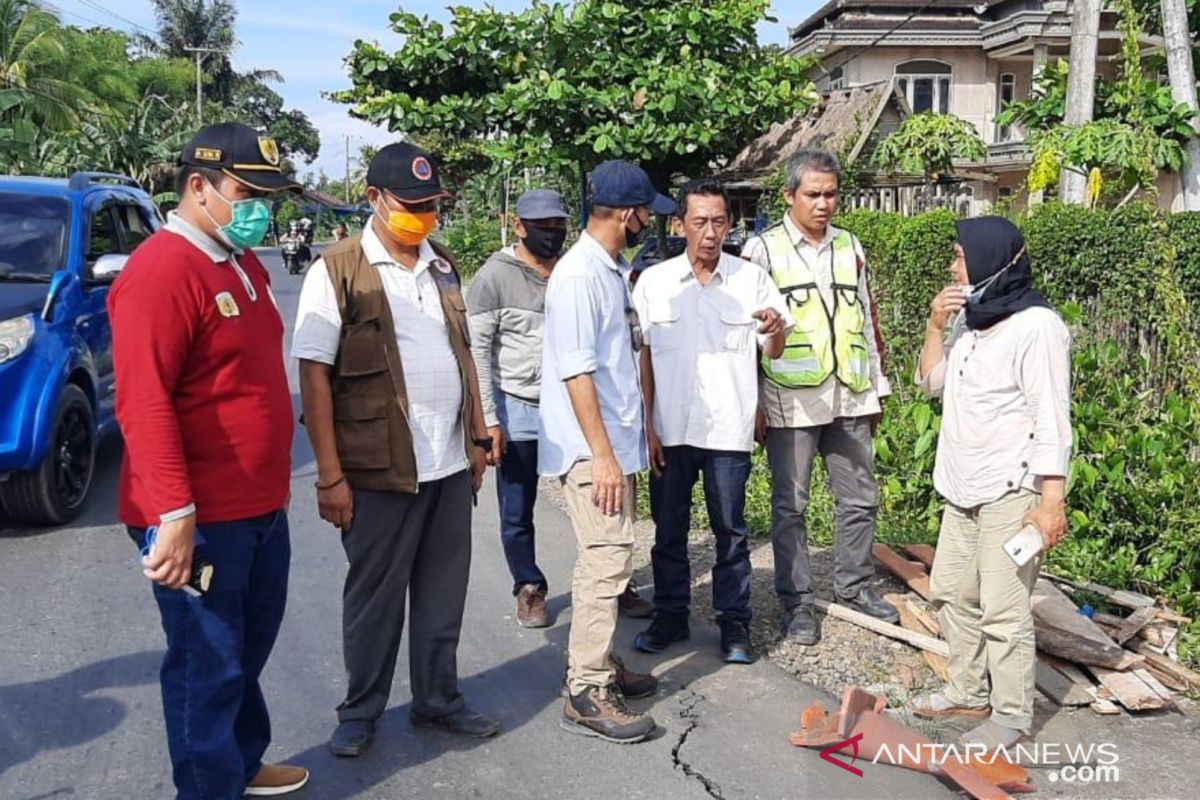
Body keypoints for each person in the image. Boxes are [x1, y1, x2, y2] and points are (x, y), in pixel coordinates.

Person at [108, 122, 308, 798]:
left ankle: (242, 763)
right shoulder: (160, 272)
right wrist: (174, 515)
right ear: (198, 186)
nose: (261, 208)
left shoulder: (239, 260)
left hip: (256, 508)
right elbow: (144, 402)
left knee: (245, 652)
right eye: (246, 192)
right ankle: (209, 787)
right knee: (206, 665)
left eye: (268, 196)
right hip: (201, 516)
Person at [293, 142, 498, 758]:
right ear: (375, 199)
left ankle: (438, 700)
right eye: (412, 205)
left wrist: (480, 438)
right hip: (378, 469)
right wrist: (330, 476)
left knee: (442, 594)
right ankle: (360, 712)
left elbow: (463, 356)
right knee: (375, 598)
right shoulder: (338, 268)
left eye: (432, 205)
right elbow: (313, 375)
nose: (424, 216)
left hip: (447, 463)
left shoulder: (443, 264)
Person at [907, 217, 1071, 750]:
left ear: (992, 260)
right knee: (950, 590)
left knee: (1003, 608)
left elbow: (1052, 419)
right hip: (962, 484)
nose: (953, 266)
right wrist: (935, 325)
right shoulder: (969, 317)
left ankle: (1011, 715)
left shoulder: (1037, 327)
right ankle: (967, 688)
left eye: (959, 256)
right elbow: (930, 382)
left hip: (1012, 486)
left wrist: (1051, 503)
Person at [539, 160, 674, 744]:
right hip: (594, 450)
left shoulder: (608, 269)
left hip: (613, 444)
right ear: (626, 214)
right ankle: (587, 688)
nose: (650, 221)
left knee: (613, 559)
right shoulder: (578, 277)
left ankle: (601, 663)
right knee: (604, 558)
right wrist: (603, 456)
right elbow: (576, 372)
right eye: (647, 212)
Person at [741, 147, 899, 646]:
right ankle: (797, 603)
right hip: (791, 400)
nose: (824, 204)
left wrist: (878, 388)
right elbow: (745, 336)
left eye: (831, 194)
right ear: (789, 196)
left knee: (860, 498)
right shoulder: (762, 252)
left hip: (850, 396)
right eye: (813, 194)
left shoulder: (850, 247)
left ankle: (854, 588)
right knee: (791, 505)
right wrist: (755, 404)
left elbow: (867, 319)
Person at [632, 179, 792, 664]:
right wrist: (648, 427)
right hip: (671, 430)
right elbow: (643, 358)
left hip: (728, 431)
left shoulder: (752, 281)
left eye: (718, 222)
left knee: (731, 532)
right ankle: (670, 616)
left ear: (730, 224)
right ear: (680, 224)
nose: (709, 233)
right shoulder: (654, 283)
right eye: (699, 222)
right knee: (669, 531)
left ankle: (734, 625)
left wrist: (775, 328)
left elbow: (775, 350)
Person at [466, 189, 570, 628]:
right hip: (517, 407)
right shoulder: (493, 278)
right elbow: (478, 356)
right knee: (517, 507)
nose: (552, 233)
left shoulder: (572, 271)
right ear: (519, 226)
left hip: (569, 405)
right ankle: (528, 586)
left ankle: (611, 584)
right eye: (542, 226)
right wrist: (488, 419)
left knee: (592, 498)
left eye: (558, 225)